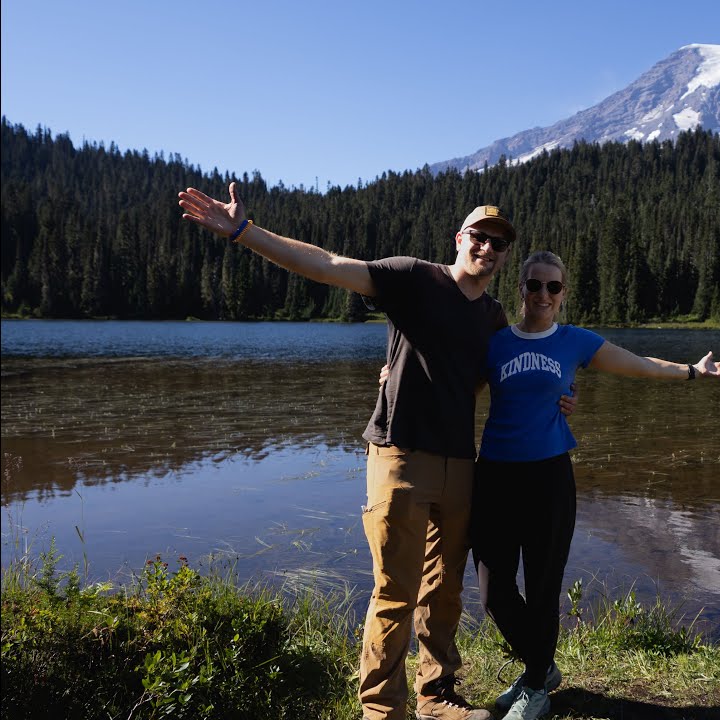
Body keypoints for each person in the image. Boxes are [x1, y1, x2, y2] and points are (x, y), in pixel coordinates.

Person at [177, 184, 573, 720]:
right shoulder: (413, 278)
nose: (488, 248)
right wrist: (246, 233)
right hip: (400, 455)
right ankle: (383, 709)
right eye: (479, 236)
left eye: (499, 244)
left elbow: (497, 378)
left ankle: (438, 698)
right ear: (460, 238)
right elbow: (327, 265)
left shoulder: (495, 318)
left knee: (445, 590)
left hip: (461, 464)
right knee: (395, 591)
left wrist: (557, 396)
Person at [473, 250, 720, 720]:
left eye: (553, 287)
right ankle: (542, 665)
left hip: (549, 476)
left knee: (542, 585)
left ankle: (535, 687)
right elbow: (456, 388)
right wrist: (398, 378)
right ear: (521, 289)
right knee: (493, 592)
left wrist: (694, 371)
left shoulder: (575, 342)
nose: (543, 295)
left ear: (563, 294)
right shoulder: (495, 343)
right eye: (534, 285)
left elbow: (639, 364)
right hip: (495, 474)